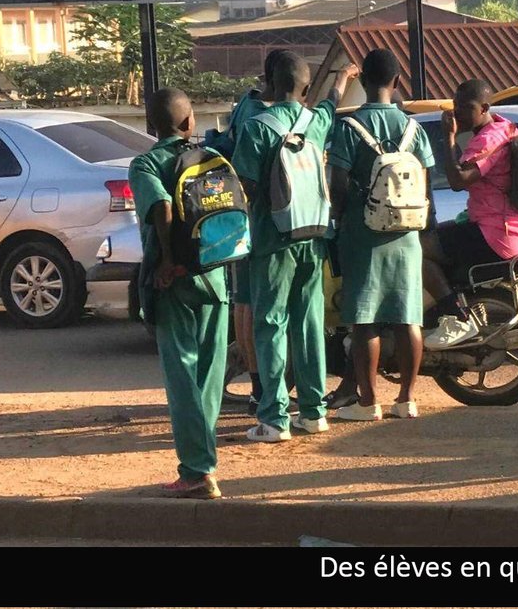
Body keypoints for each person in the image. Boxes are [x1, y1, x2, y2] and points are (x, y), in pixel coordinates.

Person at [232, 52, 359, 443]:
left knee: (270, 325)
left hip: (273, 239)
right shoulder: (316, 122)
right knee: (308, 324)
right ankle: (313, 411)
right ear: (305, 87)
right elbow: (331, 101)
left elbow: (245, 187)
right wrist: (341, 77)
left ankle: (273, 418)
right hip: (314, 235)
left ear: (269, 82)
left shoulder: (257, 127)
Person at [129, 88, 228, 500]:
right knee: (208, 375)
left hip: (175, 283)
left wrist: (168, 260)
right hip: (216, 276)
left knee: (182, 377)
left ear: (152, 126)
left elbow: (162, 208)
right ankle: (205, 462)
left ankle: (196, 472)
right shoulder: (212, 157)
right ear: (190, 122)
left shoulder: (146, 162)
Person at [328, 49, 435, 421]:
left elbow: (338, 183)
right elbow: (426, 182)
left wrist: (340, 220)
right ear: (397, 82)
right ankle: (406, 399)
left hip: (363, 230)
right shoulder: (413, 128)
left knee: (364, 318)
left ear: (362, 82)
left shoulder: (348, 128)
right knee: (409, 317)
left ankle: (368, 401)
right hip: (406, 234)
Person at [421, 79, 518, 348]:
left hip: (498, 234)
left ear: (484, 107)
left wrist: (449, 137)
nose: (458, 111)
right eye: (456, 105)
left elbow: (458, 180)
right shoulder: (504, 127)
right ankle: (473, 306)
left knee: (419, 248)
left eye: (466, 107)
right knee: (446, 236)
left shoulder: (488, 139)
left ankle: (457, 317)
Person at [213, 49, 287, 417]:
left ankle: (258, 387)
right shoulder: (270, 119)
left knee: (244, 303)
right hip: (269, 222)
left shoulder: (246, 104)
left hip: (243, 220)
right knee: (261, 310)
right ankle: (264, 387)